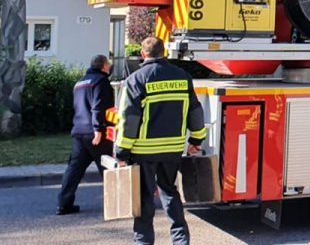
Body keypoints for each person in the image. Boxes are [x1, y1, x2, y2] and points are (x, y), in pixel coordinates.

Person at [115, 37, 207, 245]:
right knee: (170, 192)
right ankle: (181, 240)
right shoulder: (183, 76)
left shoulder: (136, 79)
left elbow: (129, 120)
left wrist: (122, 151)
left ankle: (143, 242)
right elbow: (195, 111)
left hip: (144, 151)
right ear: (164, 53)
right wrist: (196, 139)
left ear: (143, 54)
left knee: (145, 197)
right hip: (173, 148)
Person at [57, 54, 115, 215]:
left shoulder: (79, 83)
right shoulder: (100, 81)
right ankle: (114, 203)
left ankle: (64, 204)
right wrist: (98, 129)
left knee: (74, 170)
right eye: (108, 65)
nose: (109, 67)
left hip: (79, 131)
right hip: (95, 133)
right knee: (108, 168)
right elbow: (98, 107)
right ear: (103, 66)